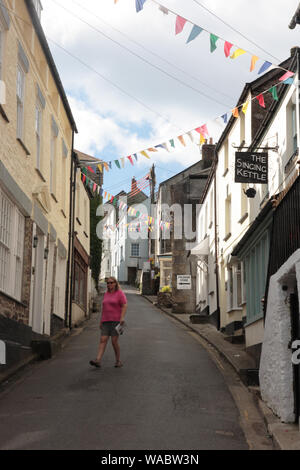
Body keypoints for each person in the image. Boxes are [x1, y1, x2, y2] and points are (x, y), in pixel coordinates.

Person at [90, 277, 127, 368]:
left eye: (111, 283)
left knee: (114, 342)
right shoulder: (106, 294)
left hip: (116, 321)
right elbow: (104, 309)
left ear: (115, 283)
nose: (109, 284)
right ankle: (98, 360)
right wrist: (101, 321)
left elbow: (124, 305)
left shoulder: (119, 294)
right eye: (108, 283)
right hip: (106, 321)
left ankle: (118, 361)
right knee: (103, 340)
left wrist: (122, 317)